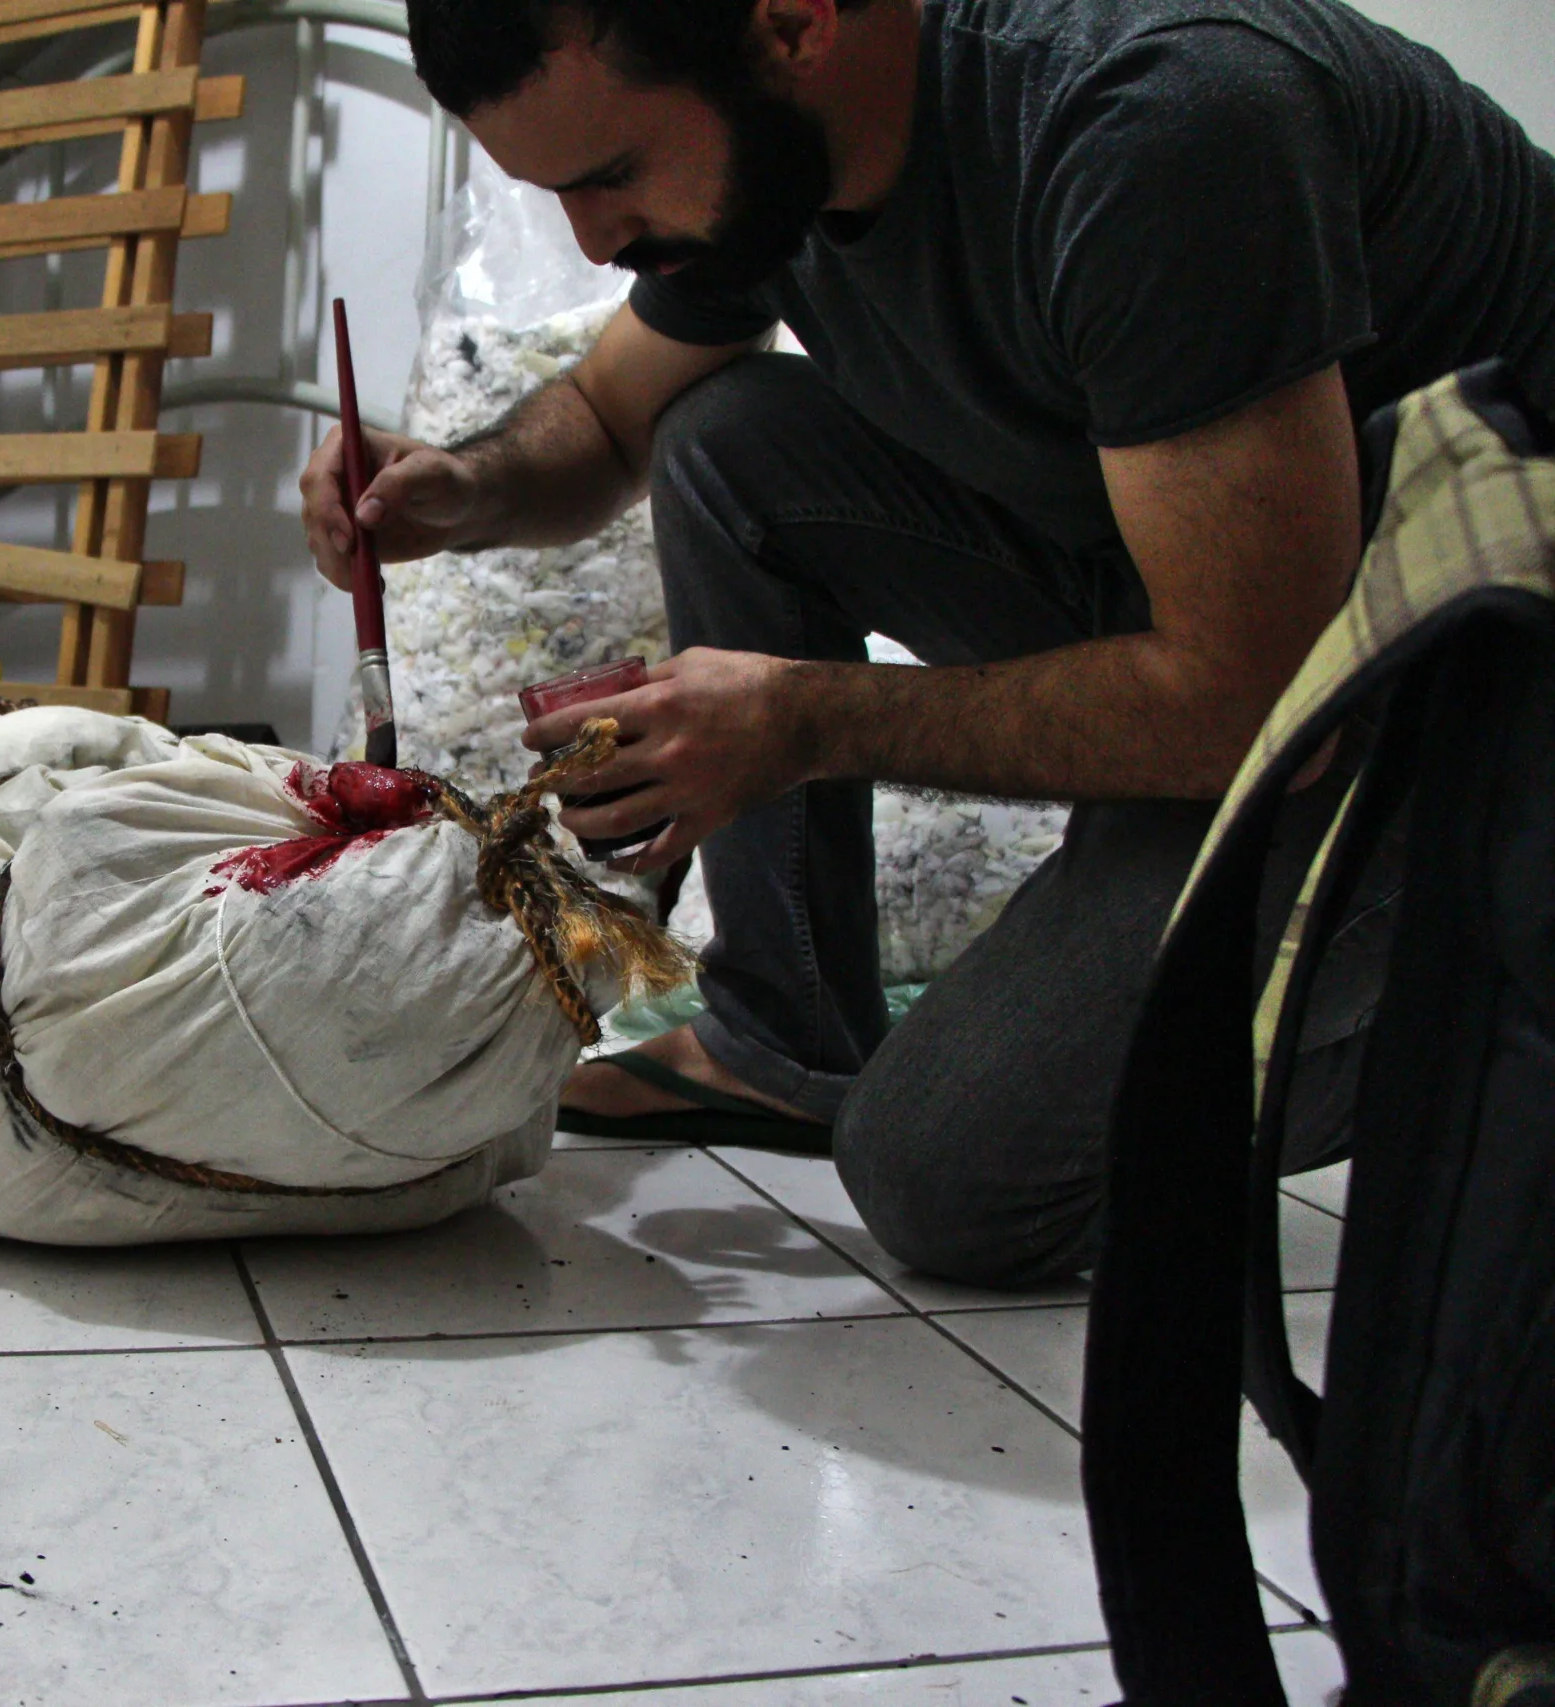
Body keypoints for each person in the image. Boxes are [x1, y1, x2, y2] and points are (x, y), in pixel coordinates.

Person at [298, 0, 1555, 1285]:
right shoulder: (778, 139)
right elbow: (611, 423)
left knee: (948, 1179)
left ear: (792, 21)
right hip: (1249, 621)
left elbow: (1260, 709)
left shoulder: (1156, 123)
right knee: (727, 438)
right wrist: (458, 484)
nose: (597, 239)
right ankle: (780, 1046)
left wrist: (803, 720)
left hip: (1451, 695)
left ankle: (1506, 1019)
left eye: (610, 175)